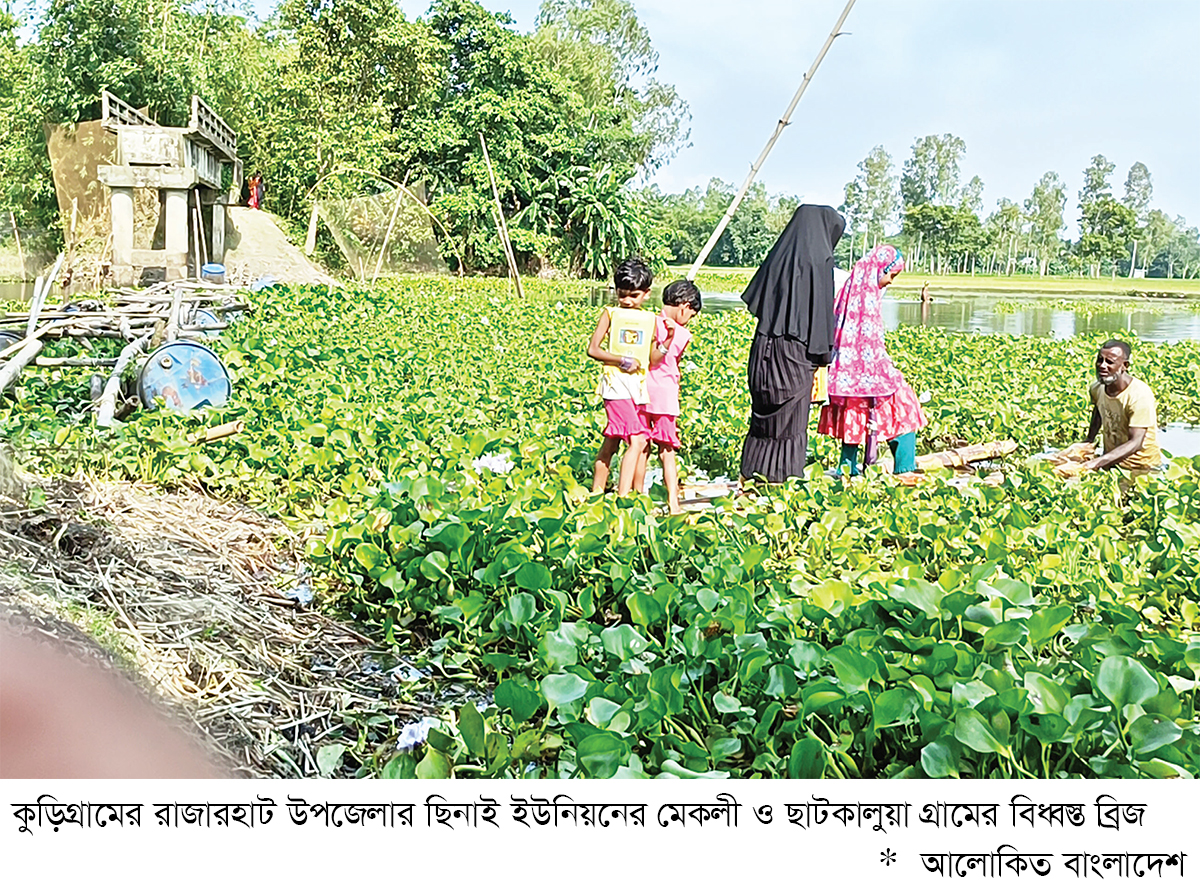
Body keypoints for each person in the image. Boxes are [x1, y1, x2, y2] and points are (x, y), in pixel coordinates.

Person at [739, 205, 846, 483]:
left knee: (762, 418)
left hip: (763, 347)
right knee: (791, 425)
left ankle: (751, 476)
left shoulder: (779, 255)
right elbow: (820, 318)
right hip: (794, 354)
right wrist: (823, 360)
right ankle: (782, 481)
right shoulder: (820, 260)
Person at [818, 244, 926, 475]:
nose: (890, 282)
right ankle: (904, 469)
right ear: (880, 270)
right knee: (906, 409)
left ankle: (847, 469)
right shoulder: (867, 295)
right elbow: (870, 345)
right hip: (869, 375)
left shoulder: (850, 288)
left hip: (844, 375)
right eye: (891, 275)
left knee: (854, 417)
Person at [588, 257, 655, 496]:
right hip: (615, 385)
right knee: (637, 439)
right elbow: (593, 349)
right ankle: (622, 498)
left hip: (637, 387)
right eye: (622, 294)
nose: (627, 301)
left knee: (612, 442)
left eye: (634, 295)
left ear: (646, 294)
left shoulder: (650, 319)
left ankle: (597, 492)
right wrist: (622, 360)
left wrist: (667, 342)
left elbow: (653, 355)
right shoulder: (610, 313)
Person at [642, 279, 702, 514]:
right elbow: (673, 361)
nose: (689, 320)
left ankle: (637, 496)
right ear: (684, 307)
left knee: (641, 447)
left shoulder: (648, 322)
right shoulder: (682, 334)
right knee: (667, 451)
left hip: (642, 390)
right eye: (691, 315)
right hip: (665, 395)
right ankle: (673, 503)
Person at [1081, 339, 1164, 472]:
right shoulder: (1097, 388)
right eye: (1100, 360)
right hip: (1110, 462)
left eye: (1109, 362)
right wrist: (1088, 442)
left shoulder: (1139, 395)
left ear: (1124, 366)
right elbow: (1098, 413)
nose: (1102, 366)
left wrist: (1096, 463)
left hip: (1140, 467)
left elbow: (1136, 442)